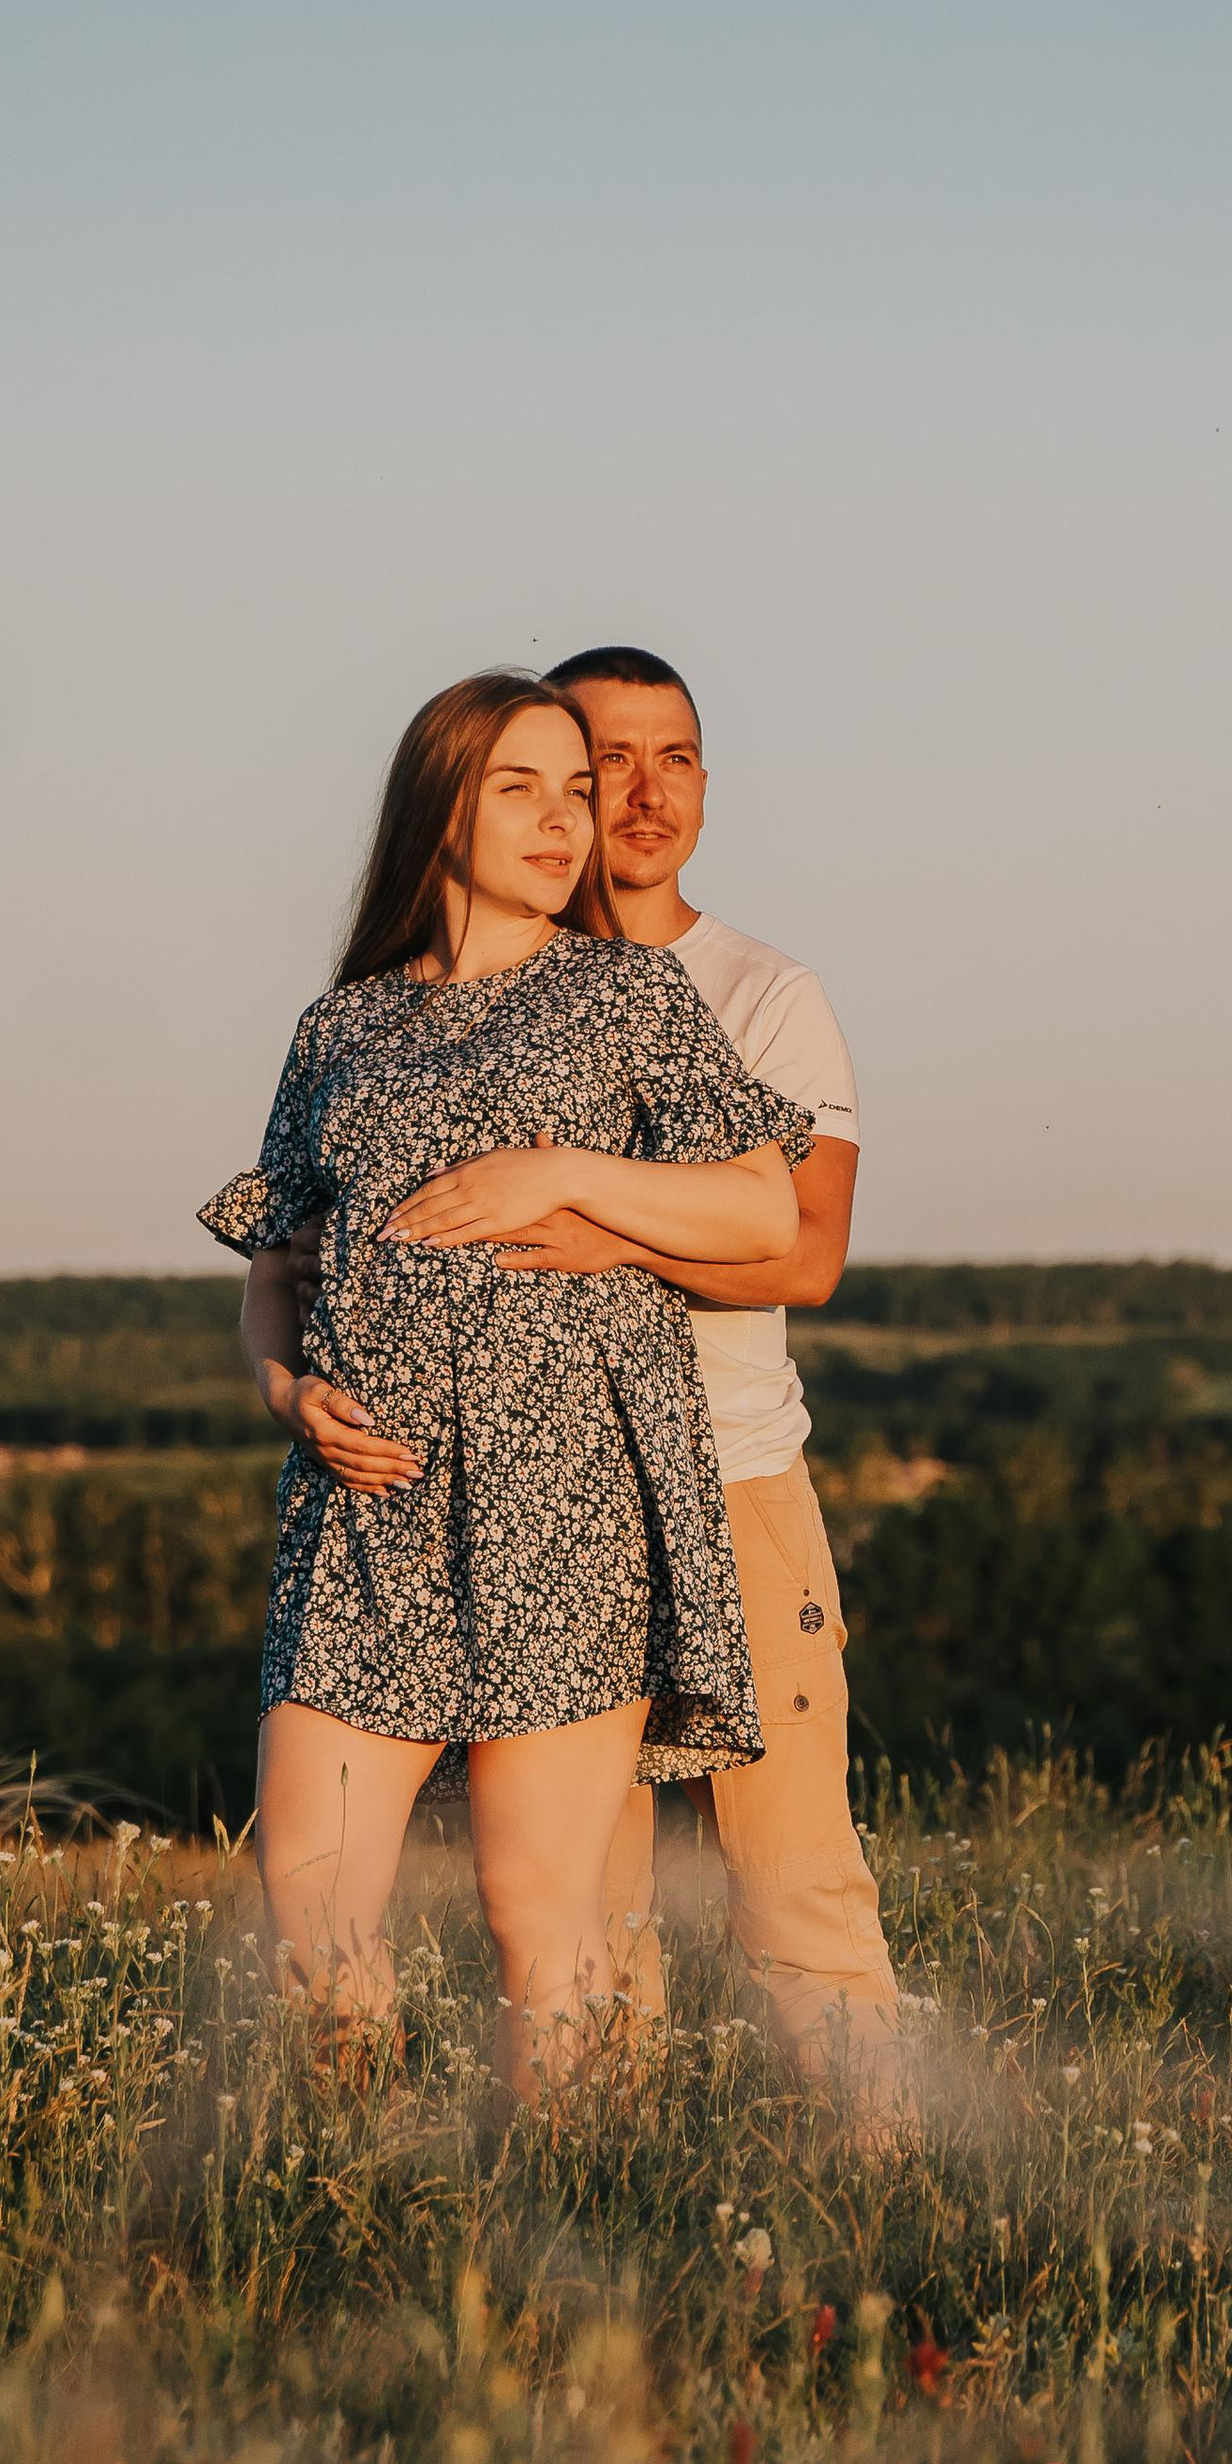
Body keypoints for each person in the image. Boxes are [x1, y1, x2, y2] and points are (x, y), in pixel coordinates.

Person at [201, 668, 815, 2104]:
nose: (565, 821)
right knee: (311, 1905)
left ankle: (568, 2233)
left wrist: (561, 1172)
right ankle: (361, 2200)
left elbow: (762, 1217)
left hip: (563, 1499)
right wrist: (289, 1399)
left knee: (536, 1919)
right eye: (521, 789)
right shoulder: (339, 1028)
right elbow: (277, 1271)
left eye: (579, 791)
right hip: (363, 1515)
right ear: (441, 807)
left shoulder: (625, 992)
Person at [492, 643, 906, 2113]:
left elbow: (804, 1258)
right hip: (557, 1488)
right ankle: (591, 2204)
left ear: (709, 785)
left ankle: (888, 2191)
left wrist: (586, 1238)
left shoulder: (766, 991)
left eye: (677, 758)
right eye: (611, 760)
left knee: (795, 1877)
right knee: (576, 1905)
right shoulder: (489, 994)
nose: (646, 792)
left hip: (736, 1478)